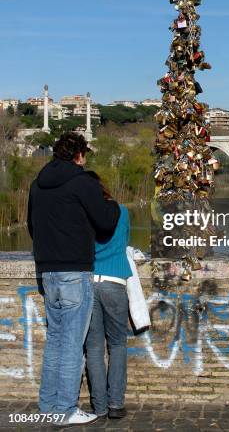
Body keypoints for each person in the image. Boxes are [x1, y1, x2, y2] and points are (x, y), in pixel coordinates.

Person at [27, 132, 121, 426]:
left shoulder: (36, 185)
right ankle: (66, 410)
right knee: (70, 344)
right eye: (85, 156)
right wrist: (114, 207)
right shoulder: (83, 182)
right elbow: (105, 224)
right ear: (79, 155)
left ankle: (48, 406)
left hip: (46, 271)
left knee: (55, 341)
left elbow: (32, 226)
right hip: (73, 272)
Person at [84, 172, 132, 420]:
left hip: (90, 282)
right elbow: (125, 242)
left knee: (93, 348)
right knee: (117, 344)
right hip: (115, 282)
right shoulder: (122, 211)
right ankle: (115, 405)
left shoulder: (84, 215)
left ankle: (99, 407)